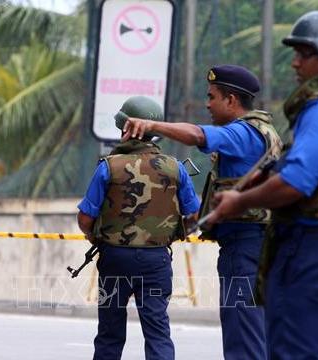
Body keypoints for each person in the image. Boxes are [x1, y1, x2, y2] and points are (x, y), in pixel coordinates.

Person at [208, 11, 318, 359]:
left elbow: (296, 183)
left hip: (316, 249)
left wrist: (238, 202)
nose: (294, 64)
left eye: (304, 54)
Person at [123, 66, 282, 359]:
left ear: (231, 100)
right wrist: (190, 223)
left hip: (245, 247)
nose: (207, 104)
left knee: (242, 335)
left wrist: (151, 125)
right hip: (260, 244)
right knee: (259, 333)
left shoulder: (242, 133)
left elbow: (197, 135)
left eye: (212, 97)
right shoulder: (264, 131)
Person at [77, 96, 200, 360]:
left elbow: (85, 218)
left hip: (114, 258)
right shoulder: (175, 168)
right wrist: (173, 234)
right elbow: (195, 214)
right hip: (156, 260)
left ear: (125, 128)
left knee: (110, 332)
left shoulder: (109, 167)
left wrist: (96, 238)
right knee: (157, 332)